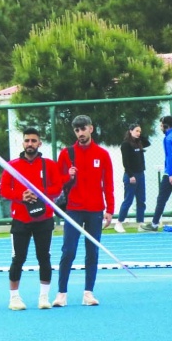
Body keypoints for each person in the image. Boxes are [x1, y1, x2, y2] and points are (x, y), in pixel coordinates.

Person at [53, 115, 114, 308]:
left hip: (95, 209)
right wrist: (67, 176)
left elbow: (108, 183)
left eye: (83, 129)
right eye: (77, 130)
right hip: (73, 209)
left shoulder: (102, 154)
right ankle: (61, 293)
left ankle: (88, 292)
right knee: (68, 251)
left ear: (91, 129)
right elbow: (56, 182)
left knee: (92, 252)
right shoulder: (66, 153)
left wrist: (110, 209)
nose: (80, 133)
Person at [0, 128, 62, 310]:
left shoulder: (49, 165)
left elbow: (57, 188)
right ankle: (14, 297)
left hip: (43, 219)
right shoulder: (13, 165)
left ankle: (43, 297)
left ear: (39, 143)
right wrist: (21, 195)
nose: (30, 144)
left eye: (34, 141)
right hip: (20, 219)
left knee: (44, 257)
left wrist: (40, 194)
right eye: (27, 140)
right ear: (23, 143)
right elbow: (4, 190)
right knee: (18, 258)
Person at [114, 124, 150, 233]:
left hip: (140, 174)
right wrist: (130, 175)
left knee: (141, 200)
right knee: (128, 200)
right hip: (131, 175)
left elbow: (148, 143)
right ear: (130, 131)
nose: (138, 133)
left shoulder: (139, 143)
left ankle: (140, 223)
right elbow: (125, 162)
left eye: (140, 131)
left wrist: (140, 136)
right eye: (136, 131)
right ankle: (119, 222)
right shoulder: (126, 144)